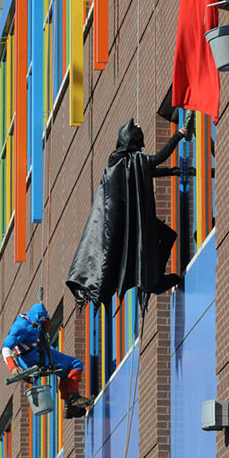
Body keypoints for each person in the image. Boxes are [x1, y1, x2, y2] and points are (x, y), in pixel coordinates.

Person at [66, 120, 191, 314]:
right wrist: (178, 135)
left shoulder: (119, 160)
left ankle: (155, 278)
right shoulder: (126, 160)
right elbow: (157, 159)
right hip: (131, 226)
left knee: (167, 235)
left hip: (128, 224)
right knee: (167, 236)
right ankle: (155, 279)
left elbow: (143, 170)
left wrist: (170, 172)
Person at [2, 303, 93, 419]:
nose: (36, 326)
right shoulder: (19, 327)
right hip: (30, 357)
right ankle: (73, 400)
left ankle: (70, 406)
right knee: (75, 364)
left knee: (67, 371)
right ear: (31, 318)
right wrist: (12, 367)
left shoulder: (38, 318)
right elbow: (5, 349)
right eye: (35, 324)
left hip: (40, 350)